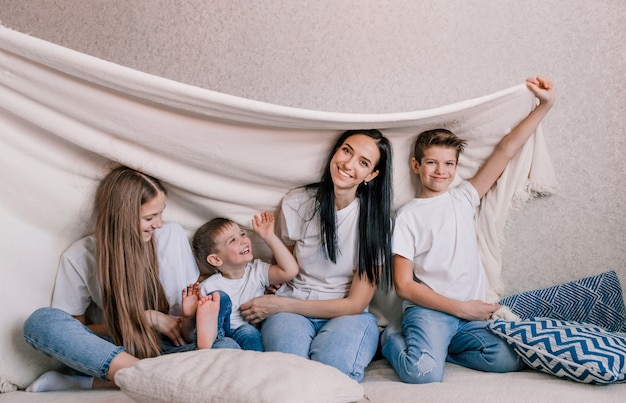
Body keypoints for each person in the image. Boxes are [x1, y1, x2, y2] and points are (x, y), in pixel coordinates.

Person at [381, 76, 555, 384]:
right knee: (422, 373)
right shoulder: (408, 216)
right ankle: (392, 335)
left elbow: (506, 149)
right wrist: (462, 308)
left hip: (469, 317)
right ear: (416, 165)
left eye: (448, 164)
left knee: (508, 359)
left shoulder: (464, 197)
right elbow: (404, 286)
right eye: (432, 162)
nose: (440, 171)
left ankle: (442, 347)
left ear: (457, 167)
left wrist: (545, 104)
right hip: (431, 311)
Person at [22, 166, 239, 392]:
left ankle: (117, 380)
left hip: (174, 349)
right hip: (119, 351)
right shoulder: (80, 256)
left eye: (161, 213)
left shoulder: (172, 236)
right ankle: (153, 377)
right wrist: (142, 319)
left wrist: (189, 319)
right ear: (122, 218)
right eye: (149, 217)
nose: (159, 224)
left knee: (228, 346)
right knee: (42, 322)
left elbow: (187, 327)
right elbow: (79, 330)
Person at [239, 129, 394, 382]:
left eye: (363, 162)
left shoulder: (378, 223)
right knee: (288, 372)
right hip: (292, 310)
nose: (348, 164)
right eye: (346, 150)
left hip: (346, 315)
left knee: (334, 371)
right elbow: (286, 266)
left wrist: (279, 304)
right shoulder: (297, 201)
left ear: (372, 175)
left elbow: (355, 303)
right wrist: (275, 291)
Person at [189, 212, 299, 351]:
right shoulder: (208, 286)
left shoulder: (257, 271)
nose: (243, 240)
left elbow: (290, 271)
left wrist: (268, 236)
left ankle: (254, 364)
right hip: (219, 337)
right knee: (219, 299)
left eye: (242, 234)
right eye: (232, 240)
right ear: (216, 259)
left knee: (249, 331)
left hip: (247, 333)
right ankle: (209, 344)